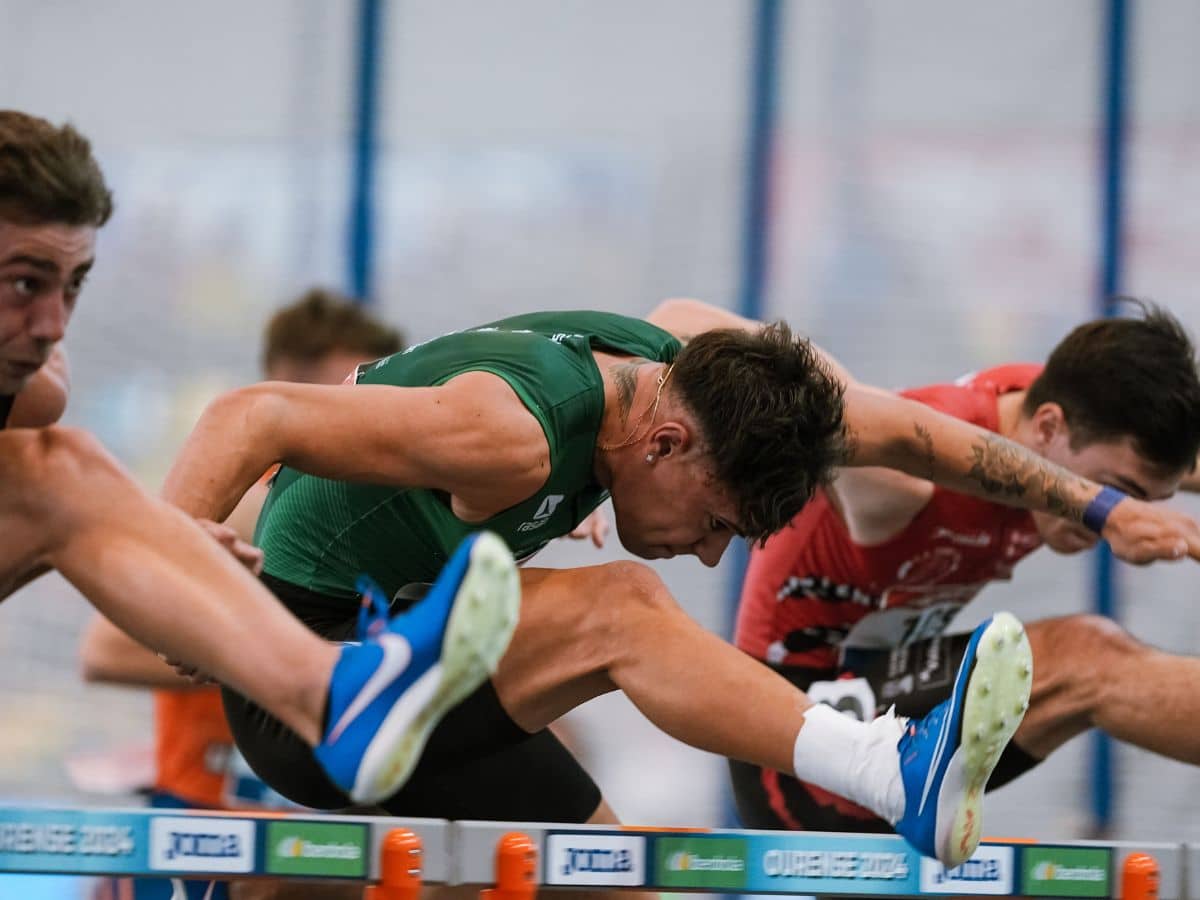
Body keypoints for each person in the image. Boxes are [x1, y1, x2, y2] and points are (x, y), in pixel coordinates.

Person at [161, 296, 1200, 868]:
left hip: (405, 669)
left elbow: (917, 431)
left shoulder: (671, 363)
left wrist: (1105, 507)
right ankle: (889, 767)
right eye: (715, 523)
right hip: (305, 685)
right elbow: (247, 417)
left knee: (607, 874)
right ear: (663, 442)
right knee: (626, 605)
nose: (712, 553)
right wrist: (184, 587)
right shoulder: (511, 436)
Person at [0, 108, 518, 826]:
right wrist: (200, 595)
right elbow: (105, 651)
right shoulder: (260, 501)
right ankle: (329, 693)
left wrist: (167, 555)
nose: (55, 323)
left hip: (297, 802)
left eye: (75, 285)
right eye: (26, 283)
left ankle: (338, 695)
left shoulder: (400, 510)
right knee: (57, 472)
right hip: (208, 812)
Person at [730, 300, 1200, 837]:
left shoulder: (1059, 412)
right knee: (1084, 657)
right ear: (1047, 429)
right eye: (1117, 497)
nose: (1113, 523)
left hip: (892, 710)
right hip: (790, 744)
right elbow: (803, 386)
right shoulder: (904, 477)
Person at [80, 289, 405, 900]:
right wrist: (280, 661)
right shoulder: (247, 506)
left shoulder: (380, 512)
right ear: (290, 385)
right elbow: (103, 649)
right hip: (213, 827)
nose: (379, 412)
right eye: (359, 388)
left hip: (315, 824)